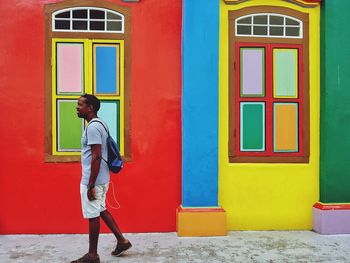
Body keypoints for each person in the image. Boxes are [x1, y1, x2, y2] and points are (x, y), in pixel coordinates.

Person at [71, 94, 132, 263]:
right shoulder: (101, 123)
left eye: (80, 104)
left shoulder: (92, 127)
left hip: (94, 179)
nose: (77, 107)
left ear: (90, 108)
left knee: (93, 215)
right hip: (102, 177)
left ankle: (92, 255)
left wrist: (90, 184)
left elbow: (96, 156)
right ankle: (122, 241)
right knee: (100, 209)